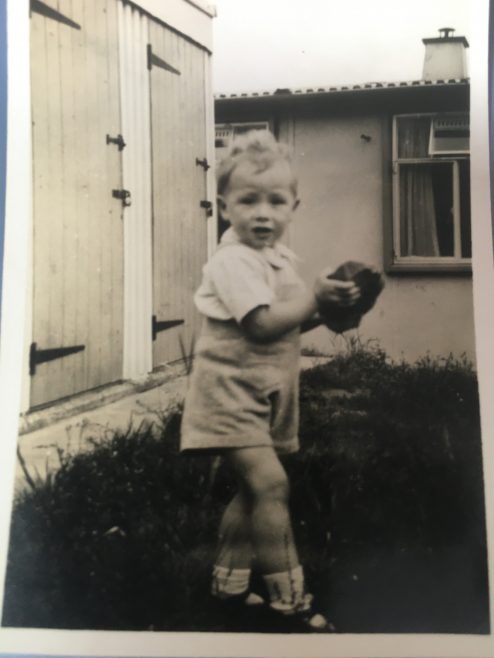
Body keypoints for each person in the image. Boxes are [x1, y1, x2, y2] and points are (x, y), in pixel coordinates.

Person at [180, 130, 360, 631]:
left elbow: (293, 319)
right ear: (223, 205)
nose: (263, 213)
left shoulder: (280, 260)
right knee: (272, 485)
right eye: (248, 200)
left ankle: (228, 589)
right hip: (229, 395)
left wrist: (336, 309)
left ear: (294, 206)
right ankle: (291, 604)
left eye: (276, 201)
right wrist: (316, 299)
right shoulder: (231, 261)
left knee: (250, 491)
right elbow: (260, 323)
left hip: (265, 394)